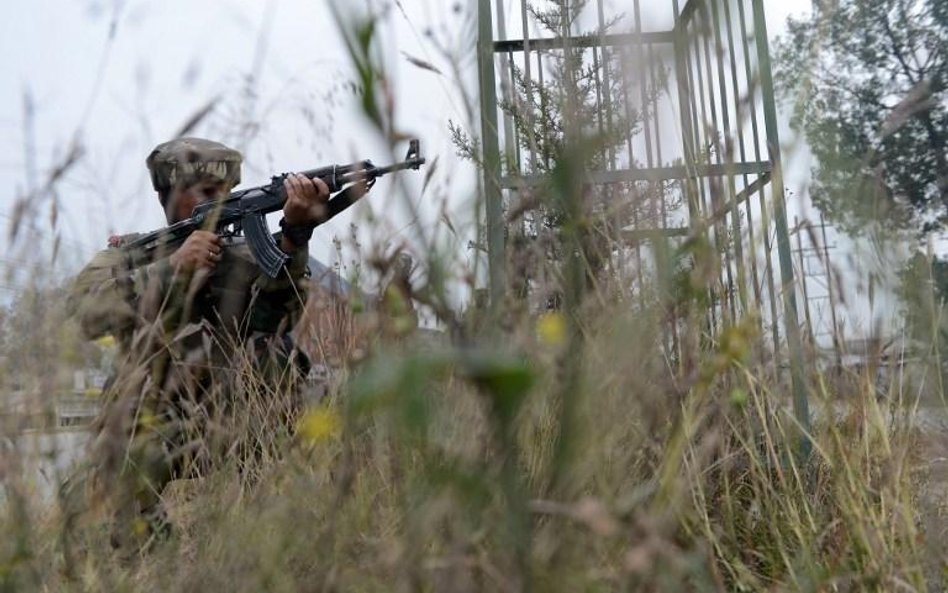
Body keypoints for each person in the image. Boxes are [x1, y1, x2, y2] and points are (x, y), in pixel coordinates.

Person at [66, 137, 329, 550]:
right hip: (153, 429)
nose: (220, 202)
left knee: (275, 356)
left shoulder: (242, 256)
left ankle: (271, 532)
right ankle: (150, 544)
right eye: (207, 192)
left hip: (232, 423)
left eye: (225, 193)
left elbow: (280, 318)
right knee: (89, 506)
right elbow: (85, 311)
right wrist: (173, 270)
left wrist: (294, 240)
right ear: (167, 194)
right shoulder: (130, 254)